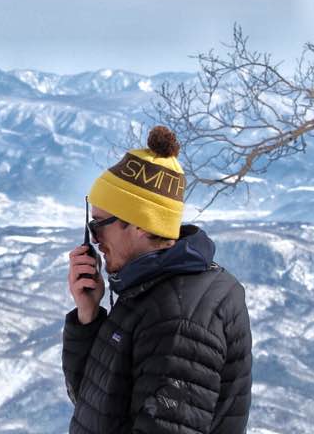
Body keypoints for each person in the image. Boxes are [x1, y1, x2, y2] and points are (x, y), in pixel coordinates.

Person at [63, 125, 252, 433]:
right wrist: (88, 315)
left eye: (98, 225)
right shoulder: (148, 289)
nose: (93, 240)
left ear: (139, 224)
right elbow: (94, 406)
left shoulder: (179, 318)